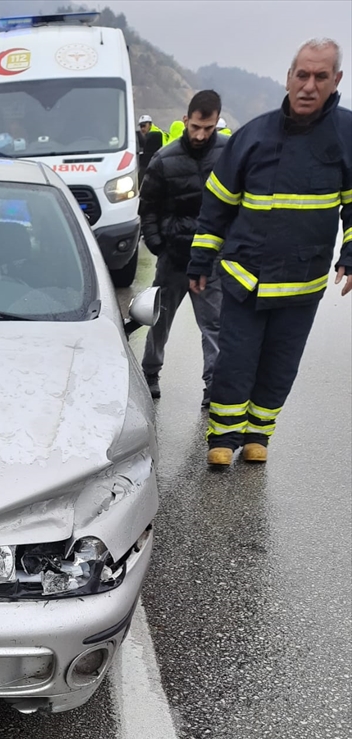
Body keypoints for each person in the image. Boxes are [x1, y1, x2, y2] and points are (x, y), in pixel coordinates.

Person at [187, 38, 352, 465]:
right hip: (246, 277)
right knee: (235, 361)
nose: (309, 86)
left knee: (281, 365)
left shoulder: (347, 135)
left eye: (320, 77)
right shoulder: (252, 136)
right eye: (302, 75)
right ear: (288, 77)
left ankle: (259, 435)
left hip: (303, 281)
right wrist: (200, 260)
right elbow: (216, 206)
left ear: (336, 81)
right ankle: (222, 439)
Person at [139, 90, 226, 405]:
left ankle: (214, 386)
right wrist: (159, 246)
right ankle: (150, 373)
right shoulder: (164, 159)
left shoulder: (229, 155)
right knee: (158, 320)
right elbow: (147, 208)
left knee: (214, 326)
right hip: (174, 258)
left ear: (216, 123)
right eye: (196, 127)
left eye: (209, 128)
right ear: (186, 120)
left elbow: (241, 204)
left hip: (212, 259)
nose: (201, 135)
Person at [137, 115, 164, 184]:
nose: (142, 128)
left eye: (144, 126)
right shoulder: (149, 134)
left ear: (150, 125)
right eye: (141, 126)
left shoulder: (153, 135)